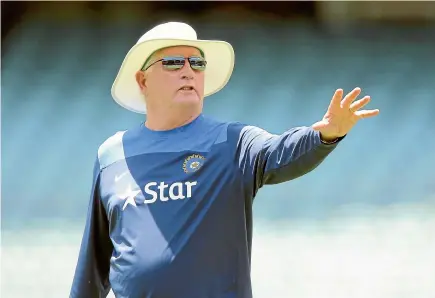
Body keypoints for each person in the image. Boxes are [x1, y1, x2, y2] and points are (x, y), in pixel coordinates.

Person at [70, 22, 379, 298]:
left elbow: (280, 152)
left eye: (197, 63)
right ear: (143, 81)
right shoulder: (112, 155)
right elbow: (92, 267)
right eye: (174, 62)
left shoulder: (232, 142)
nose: (188, 70)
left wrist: (323, 135)